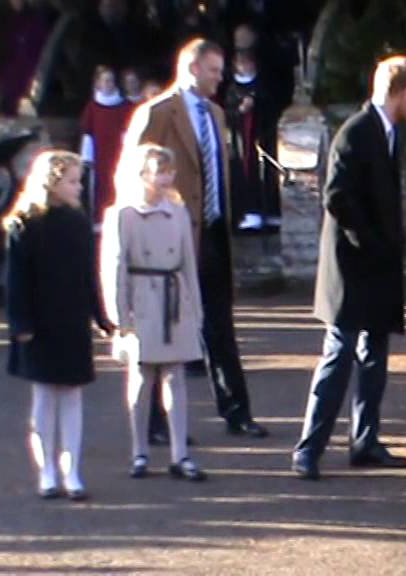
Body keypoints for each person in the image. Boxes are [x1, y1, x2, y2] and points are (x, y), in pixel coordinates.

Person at [292, 55, 406, 481]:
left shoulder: (387, 133)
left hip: (377, 266)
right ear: (404, 92)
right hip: (353, 268)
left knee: (374, 356)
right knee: (340, 354)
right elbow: (336, 196)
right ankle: (308, 449)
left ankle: (365, 440)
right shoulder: (356, 132)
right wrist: (370, 240)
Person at [123, 38, 269, 438]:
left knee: (220, 324)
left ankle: (237, 412)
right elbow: (131, 176)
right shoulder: (157, 113)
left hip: (213, 232)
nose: (220, 78)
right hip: (169, 237)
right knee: (165, 325)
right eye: (214, 71)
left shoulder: (216, 114)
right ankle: (156, 421)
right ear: (192, 68)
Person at [3, 150, 113, 501]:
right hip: (39, 320)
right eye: (72, 181)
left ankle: (72, 470)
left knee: (72, 394)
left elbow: (87, 275)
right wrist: (21, 323)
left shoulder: (78, 223)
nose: (79, 187)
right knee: (45, 396)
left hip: (71, 318)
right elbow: (16, 280)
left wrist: (100, 315)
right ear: (51, 183)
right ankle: (47, 470)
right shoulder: (25, 224)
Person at [101, 144, 207, 482]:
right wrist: (120, 318)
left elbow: (189, 263)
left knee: (175, 377)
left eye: (169, 171)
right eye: (158, 171)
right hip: (142, 298)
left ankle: (180, 454)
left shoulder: (177, 211)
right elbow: (113, 268)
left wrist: (196, 308)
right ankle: (140, 452)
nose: (165, 177)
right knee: (142, 378)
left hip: (174, 299)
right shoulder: (123, 214)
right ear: (142, 174)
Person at [224, 49, 276, 232]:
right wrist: (240, 110)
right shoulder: (232, 89)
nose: (245, 66)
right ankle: (249, 211)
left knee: (267, 172)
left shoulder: (262, 85)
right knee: (246, 172)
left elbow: (272, 107)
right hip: (242, 140)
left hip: (263, 136)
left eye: (248, 63)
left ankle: (269, 210)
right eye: (241, 63)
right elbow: (227, 114)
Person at [80, 65, 134, 228]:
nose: (109, 84)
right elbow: (88, 133)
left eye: (111, 81)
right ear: (98, 84)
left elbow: (130, 130)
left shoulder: (126, 106)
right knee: (100, 189)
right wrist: (87, 158)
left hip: (120, 155)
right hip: (100, 158)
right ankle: (100, 221)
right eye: (105, 81)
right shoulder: (92, 107)